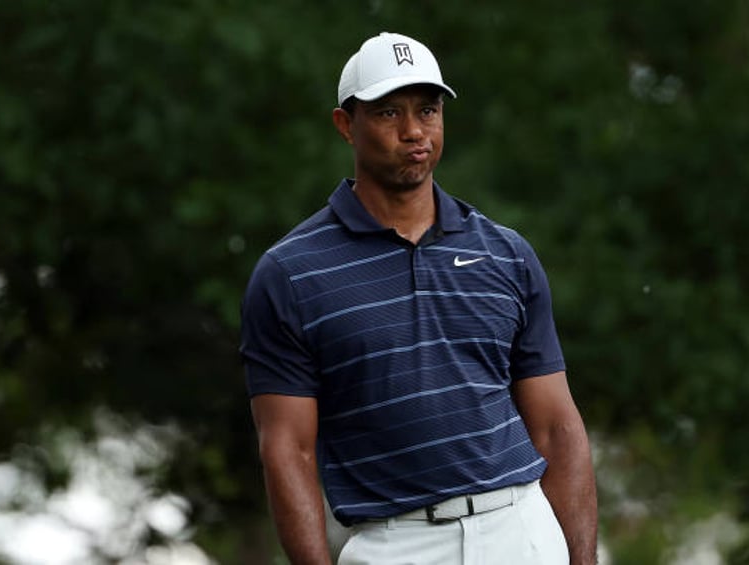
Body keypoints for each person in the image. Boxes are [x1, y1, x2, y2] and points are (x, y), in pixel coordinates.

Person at [241, 31, 598, 565]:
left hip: (520, 528)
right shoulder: (290, 274)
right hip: (394, 544)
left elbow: (556, 427)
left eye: (427, 111)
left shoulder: (507, 254)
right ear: (345, 124)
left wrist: (582, 558)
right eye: (388, 114)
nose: (414, 131)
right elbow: (287, 450)